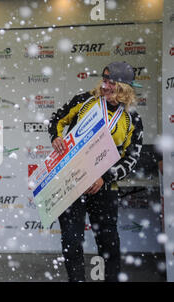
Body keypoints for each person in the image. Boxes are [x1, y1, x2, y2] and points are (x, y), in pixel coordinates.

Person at [48, 61, 143, 282]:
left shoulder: (132, 119)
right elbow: (57, 120)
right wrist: (56, 137)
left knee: (108, 242)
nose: (105, 86)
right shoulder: (84, 101)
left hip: (105, 187)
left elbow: (131, 159)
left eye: (112, 83)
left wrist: (105, 177)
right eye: (105, 79)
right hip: (72, 182)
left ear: (124, 89)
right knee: (72, 241)